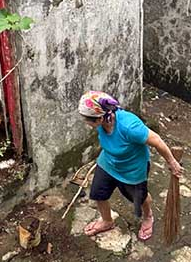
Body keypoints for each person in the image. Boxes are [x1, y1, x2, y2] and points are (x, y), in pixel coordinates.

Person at [78, 90, 183, 241]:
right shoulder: (103, 122)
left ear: (100, 118)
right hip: (108, 162)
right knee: (98, 193)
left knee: (139, 198)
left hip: (132, 169)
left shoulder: (130, 127)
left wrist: (172, 162)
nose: (86, 123)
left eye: (87, 119)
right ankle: (107, 221)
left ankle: (148, 217)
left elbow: (157, 140)